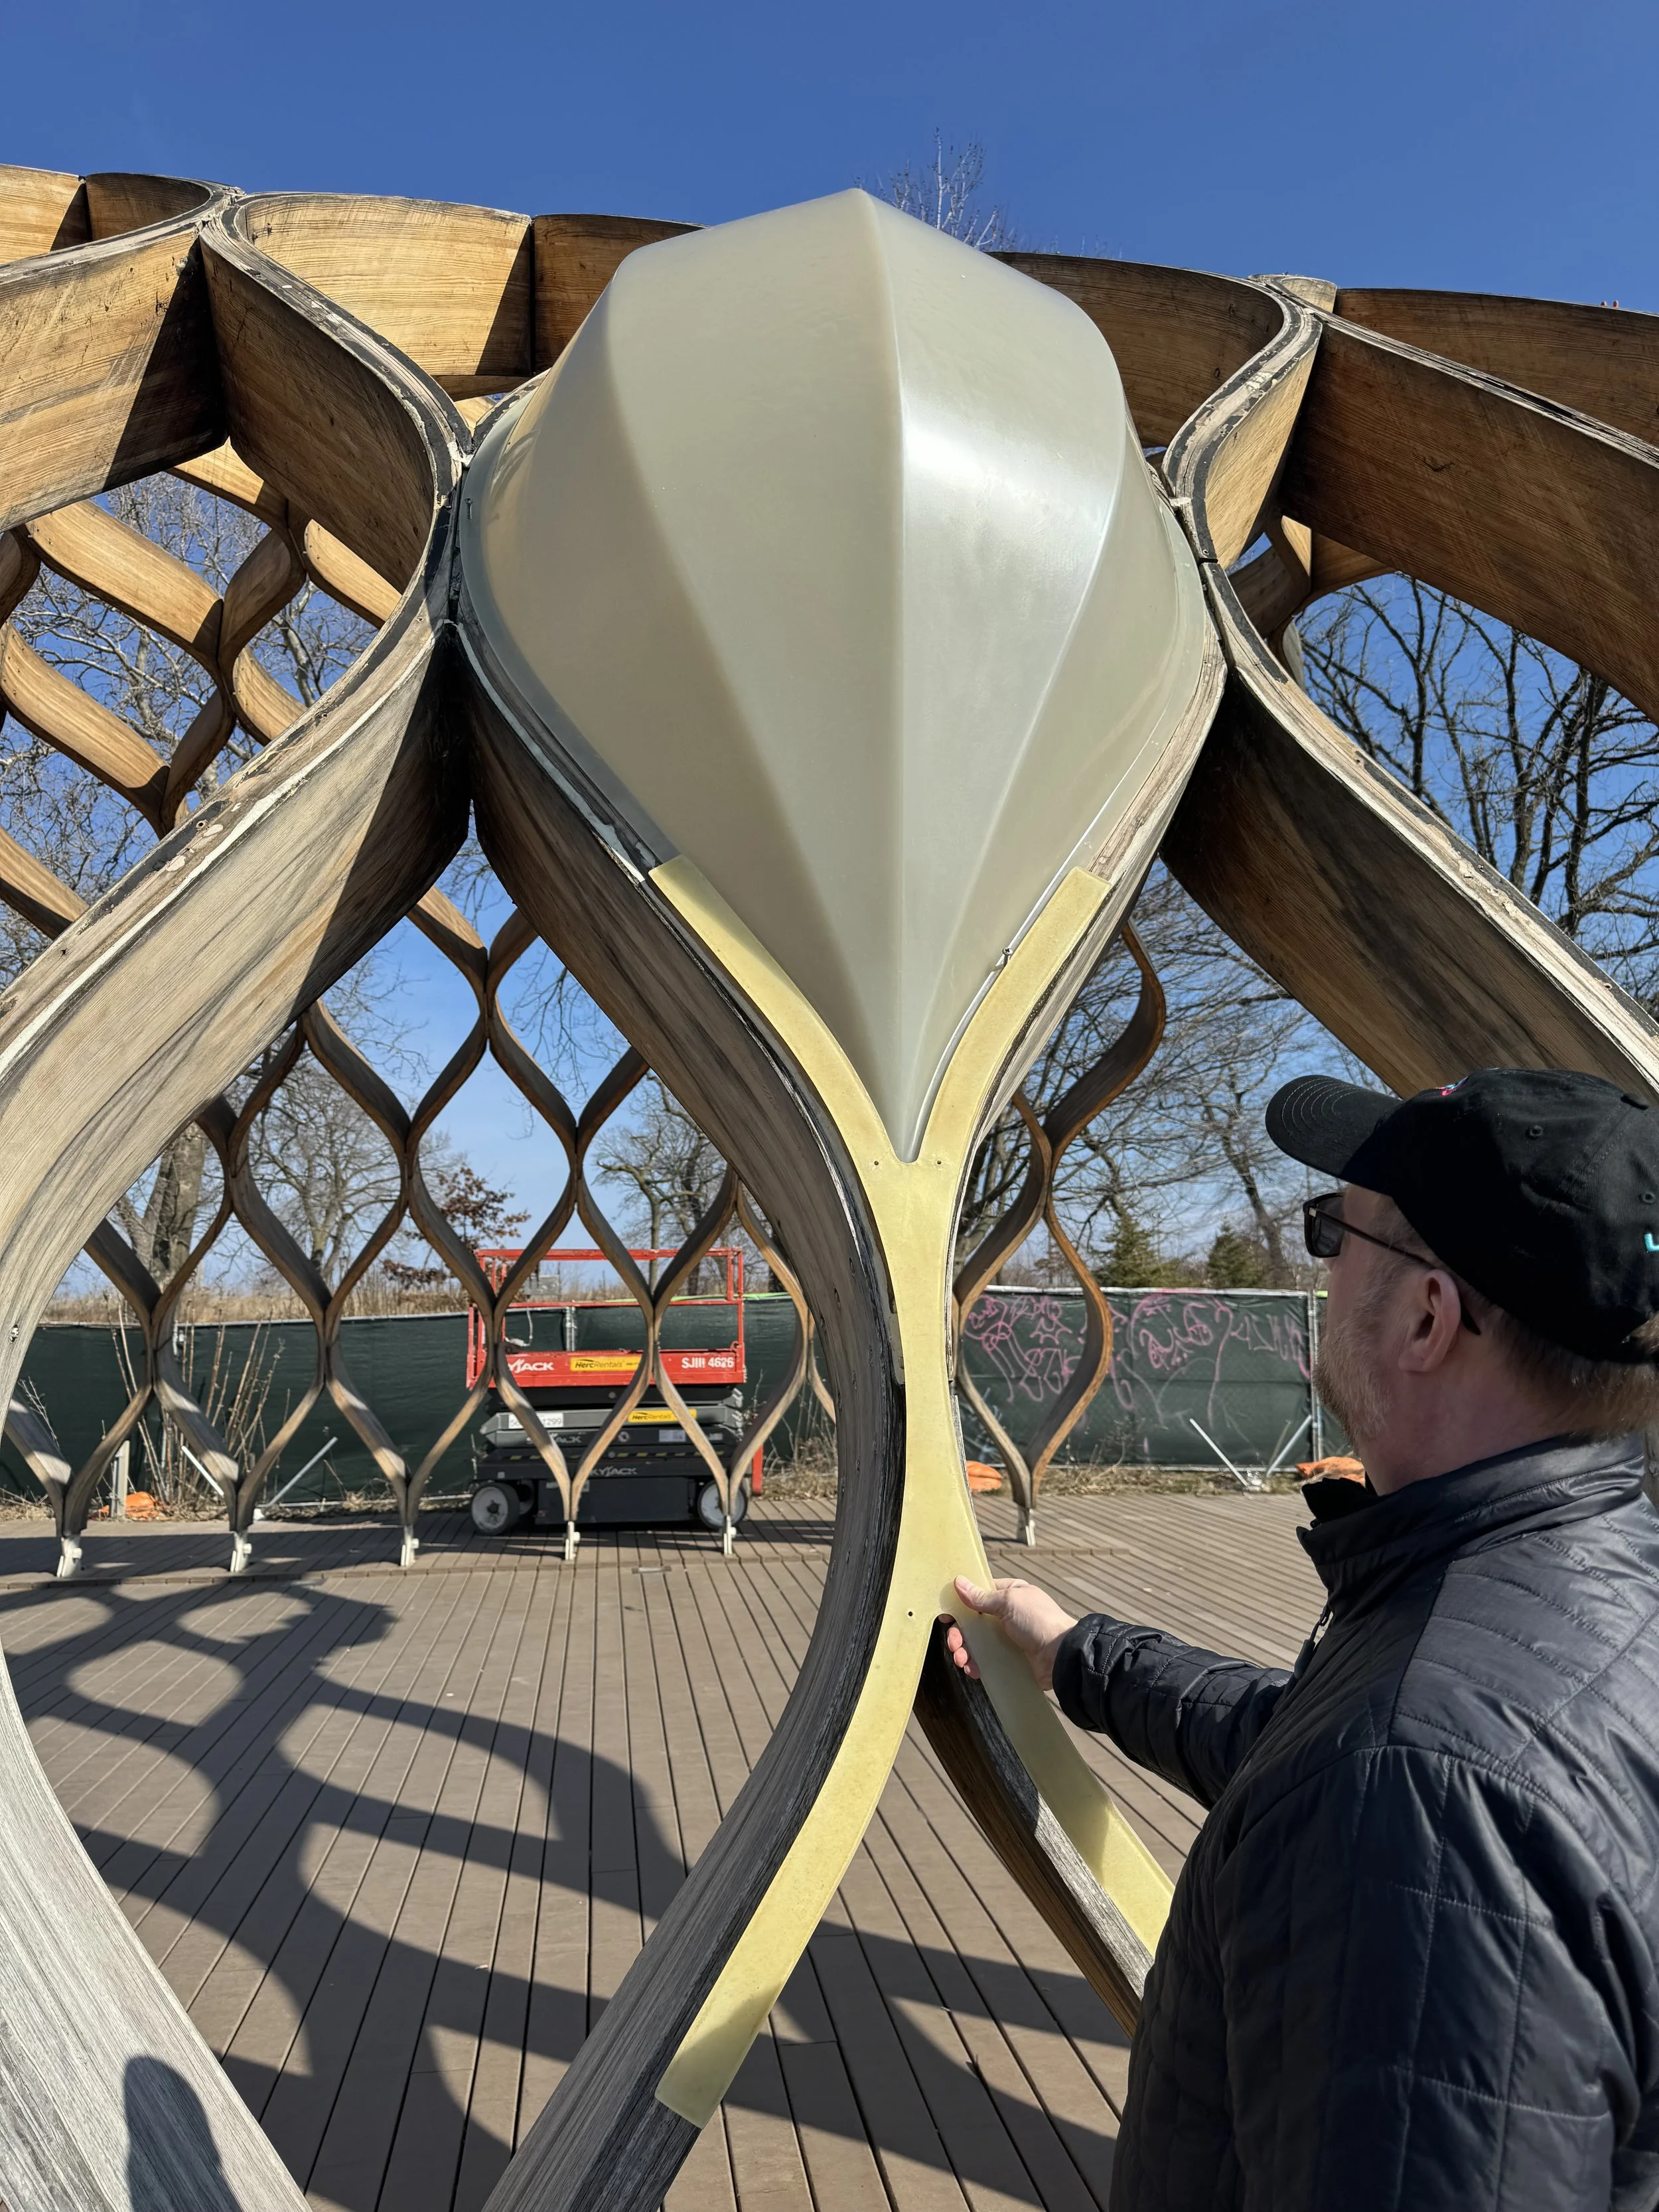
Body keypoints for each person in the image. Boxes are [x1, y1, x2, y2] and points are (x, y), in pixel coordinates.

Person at [947, 1067, 1659, 2211]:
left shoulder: (1417, 1796)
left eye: (1336, 1231)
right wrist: (1078, 1651)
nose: (1321, 1269)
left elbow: (1392, 1775)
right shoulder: (1586, 1598)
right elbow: (1304, 1741)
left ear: (1427, 1317)